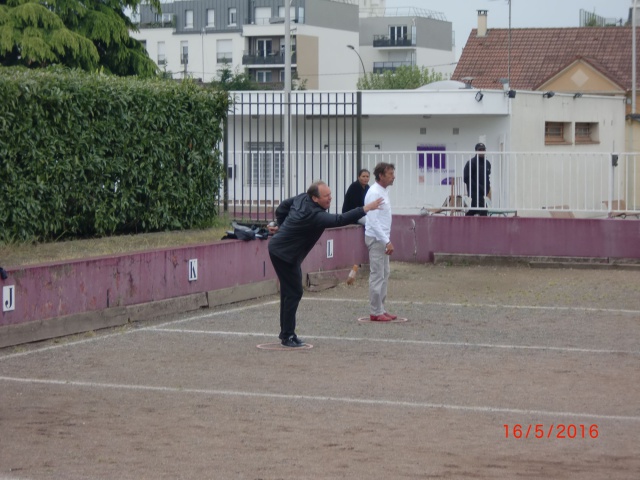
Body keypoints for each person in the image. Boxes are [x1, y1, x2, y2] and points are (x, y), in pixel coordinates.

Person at [268, 181, 383, 347]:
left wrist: (282, 225)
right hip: (283, 254)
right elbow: (339, 219)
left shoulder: (302, 198)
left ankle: (286, 334)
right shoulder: (315, 215)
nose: (330, 198)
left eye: (330, 194)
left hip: (284, 252)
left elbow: (282, 208)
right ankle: (287, 336)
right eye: (326, 196)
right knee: (294, 292)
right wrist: (365, 208)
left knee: (289, 292)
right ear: (315, 198)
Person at [364, 162, 396, 322]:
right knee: (377, 274)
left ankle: (380, 308)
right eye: (390, 174)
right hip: (377, 238)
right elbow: (373, 220)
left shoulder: (383, 191)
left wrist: (386, 240)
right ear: (381, 176)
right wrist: (386, 241)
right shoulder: (374, 193)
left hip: (382, 238)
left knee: (384, 273)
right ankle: (375, 311)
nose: (393, 177)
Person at [463, 143, 492, 216]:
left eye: (483, 150)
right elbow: (466, 178)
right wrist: (478, 188)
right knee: (482, 211)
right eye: (480, 150)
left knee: (475, 211)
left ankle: (465, 221)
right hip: (474, 193)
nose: (482, 151)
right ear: (476, 151)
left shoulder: (487, 163)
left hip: (483, 194)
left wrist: (487, 188)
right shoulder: (471, 163)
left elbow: (487, 177)